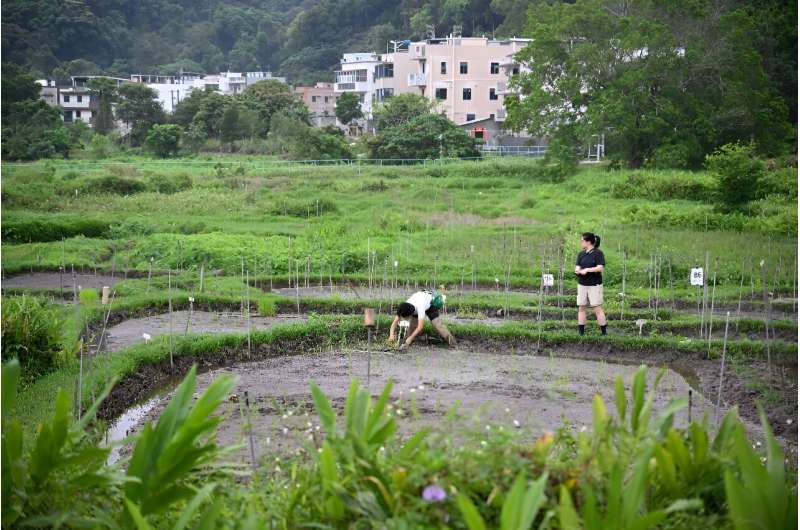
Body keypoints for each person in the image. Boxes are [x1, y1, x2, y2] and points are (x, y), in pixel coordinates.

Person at [389, 289, 456, 349]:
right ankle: (407, 343)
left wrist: (410, 338)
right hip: (419, 302)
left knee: (437, 325)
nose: (405, 319)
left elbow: (420, 327)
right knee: (411, 327)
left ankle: (453, 344)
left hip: (431, 304)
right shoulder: (403, 307)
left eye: (406, 317)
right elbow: (394, 323)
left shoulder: (420, 307)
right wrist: (391, 335)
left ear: (410, 314)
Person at [575, 232, 607, 335]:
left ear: (588, 242)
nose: (581, 242)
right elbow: (577, 266)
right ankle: (581, 333)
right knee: (581, 307)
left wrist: (588, 270)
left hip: (594, 285)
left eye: (582, 240)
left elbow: (600, 267)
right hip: (582, 284)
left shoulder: (598, 253)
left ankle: (604, 333)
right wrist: (578, 270)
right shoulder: (581, 254)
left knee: (597, 307)